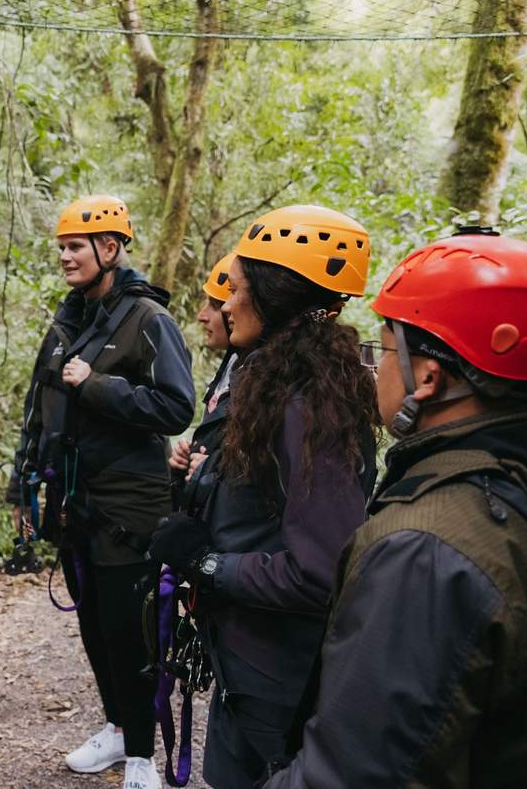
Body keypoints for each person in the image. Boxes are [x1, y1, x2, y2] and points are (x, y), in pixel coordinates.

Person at [264, 229, 527, 788]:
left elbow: (352, 774)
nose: (374, 367)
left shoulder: (424, 550)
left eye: (383, 349)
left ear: (428, 377)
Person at [148, 205, 379, 789]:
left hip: (278, 673)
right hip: (251, 658)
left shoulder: (308, 406)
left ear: (273, 297)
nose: (225, 303)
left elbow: (321, 571)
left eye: (238, 288)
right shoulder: (276, 383)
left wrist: (208, 564)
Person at [6, 194, 194, 789]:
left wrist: (98, 385)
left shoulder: (149, 320)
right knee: (92, 627)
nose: (65, 257)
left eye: (75, 247)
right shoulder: (68, 320)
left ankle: (143, 757)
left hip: (130, 508)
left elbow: (175, 406)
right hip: (72, 504)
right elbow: (39, 409)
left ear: (109, 249)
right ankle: (117, 730)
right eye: (61, 247)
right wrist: (23, 489)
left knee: (128, 632)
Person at [168, 253, 236, 496]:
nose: (201, 315)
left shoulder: (266, 381)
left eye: (215, 306)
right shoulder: (231, 365)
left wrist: (212, 472)